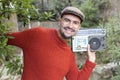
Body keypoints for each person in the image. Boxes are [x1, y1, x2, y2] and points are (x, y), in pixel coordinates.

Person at [7, 6, 96, 80]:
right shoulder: (37, 34)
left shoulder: (69, 55)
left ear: (79, 27)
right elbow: (5, 39)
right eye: (67, 20)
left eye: (75, 23)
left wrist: (91, 60)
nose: (70, 26)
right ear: (60, 20)